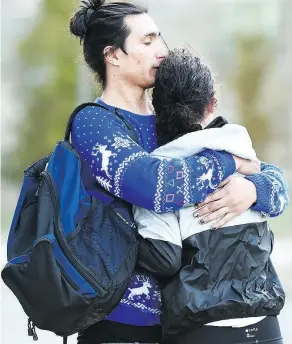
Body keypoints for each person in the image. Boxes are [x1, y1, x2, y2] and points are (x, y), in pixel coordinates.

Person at [69, 1, 289, 343]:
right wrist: (231, 164)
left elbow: (271, 177)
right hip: (120, 322)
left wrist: (254, 189)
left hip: (182, 322)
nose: (162, 50)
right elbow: (156, 185)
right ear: (113, 55)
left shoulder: (168, 121)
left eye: (160, 38)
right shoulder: (95, 123)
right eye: (147, 41)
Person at [134, 49, 288, 344]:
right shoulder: (241, 151)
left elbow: (163, 260)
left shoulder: (160, 173)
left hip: (202, 327)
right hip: (265, 325)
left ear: (157, 107)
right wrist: (256, 188)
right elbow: (279, 189)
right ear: (212, 104)